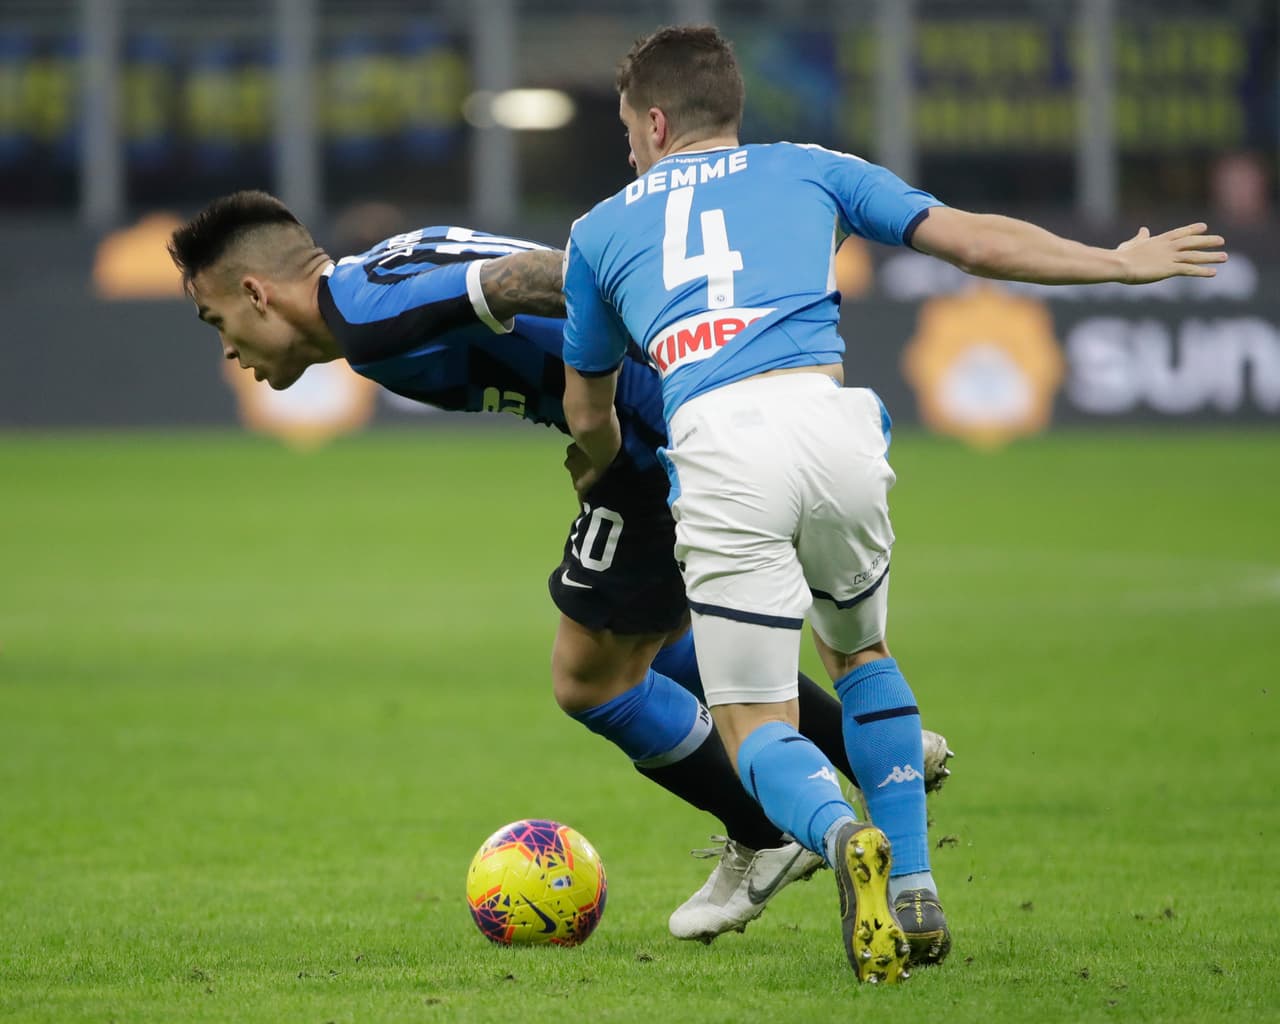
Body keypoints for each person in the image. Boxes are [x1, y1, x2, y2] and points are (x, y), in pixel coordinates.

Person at [559, 25, 1227, 983]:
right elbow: (972, 241)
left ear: (656, 122)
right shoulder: (813, 168)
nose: (629, 148)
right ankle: (911, 875)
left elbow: (588, 408)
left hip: (720, 445)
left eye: (628, 129)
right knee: (860, 651)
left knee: (755, 722)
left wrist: (603, 467)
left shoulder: (600, 229)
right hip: (832, 426)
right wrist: (1118, 264)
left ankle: (837, 839)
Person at [164, 192, 955, 947]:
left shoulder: (368, 318)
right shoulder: (381, 268)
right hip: (677, 421)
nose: (227, 349)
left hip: (661, 440)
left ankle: (768, 833)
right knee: (658, 639)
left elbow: (547, 275)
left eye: (216, 321)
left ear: (256, 293)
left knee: (589, 678)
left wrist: (620, 399)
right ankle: (873, 750)